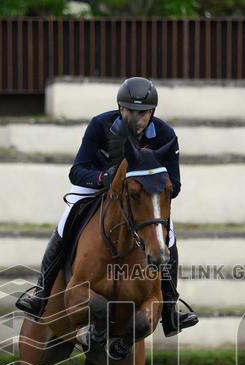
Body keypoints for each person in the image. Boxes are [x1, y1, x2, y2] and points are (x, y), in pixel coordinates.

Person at [15, 77, 198, 337]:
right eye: (130, 111)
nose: (136, 118)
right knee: (67, 219)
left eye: (143, 113)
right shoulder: (100, 125)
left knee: (168, 237)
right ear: (120, 109)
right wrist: (104, 178)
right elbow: (77, 171)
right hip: (98, 187)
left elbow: (175, 185)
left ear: (152, 113)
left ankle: (169, 310)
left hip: (143, 197)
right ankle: (42, 293)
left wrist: (151, 182)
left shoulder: (165, 135)